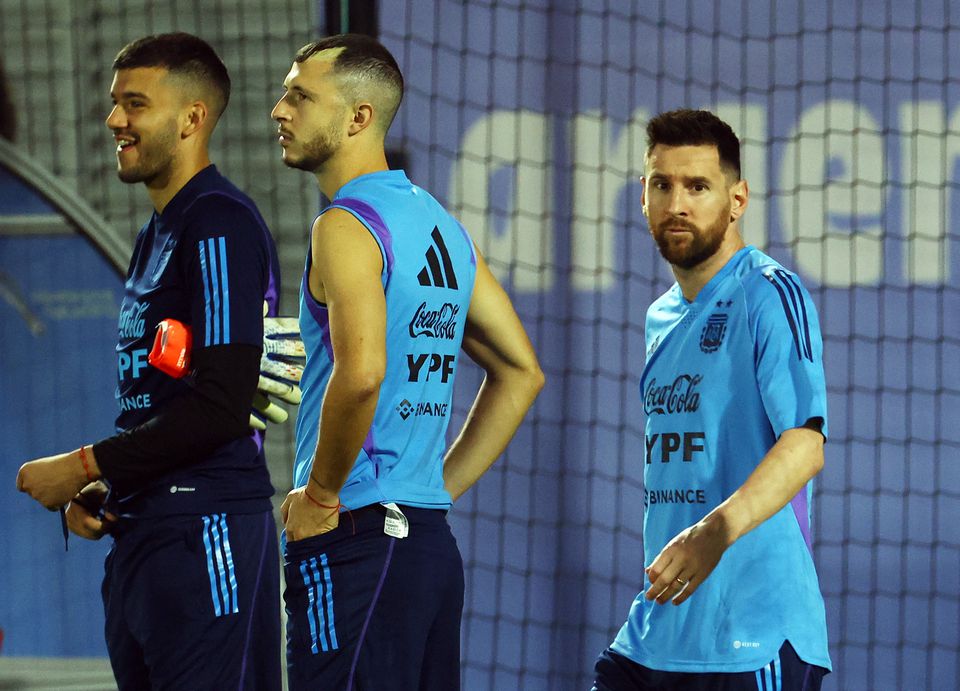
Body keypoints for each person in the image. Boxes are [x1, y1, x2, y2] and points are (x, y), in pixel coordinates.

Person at [270, 33, 544, 690]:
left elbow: (361, 372)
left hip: (358, 538)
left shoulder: (342, 225)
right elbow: (521, 371)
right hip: (426, 548)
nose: (280, 110)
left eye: (300, 96)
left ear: (359, 117)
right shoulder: (440, 225)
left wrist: (322, 494)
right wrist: (434, 489)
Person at [16, 33, 282, 690]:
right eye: (114, 104)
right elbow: (165, 403)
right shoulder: (154, 233)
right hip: (148, 534)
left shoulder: (219, 222)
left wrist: (83, 463)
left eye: (134, 104)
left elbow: (222, 405)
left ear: (191, 118)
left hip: (208, 531)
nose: (114, 121)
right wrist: (110, 487)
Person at [592, 109, 831, 691]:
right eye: (662, 185)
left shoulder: (769, 293)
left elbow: (805, 445)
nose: (678, 203)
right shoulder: (659, 316)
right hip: (660, 629)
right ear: (642, 197)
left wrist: (714, 531)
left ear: (737, 199)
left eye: (698, 186)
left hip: (754, 634)